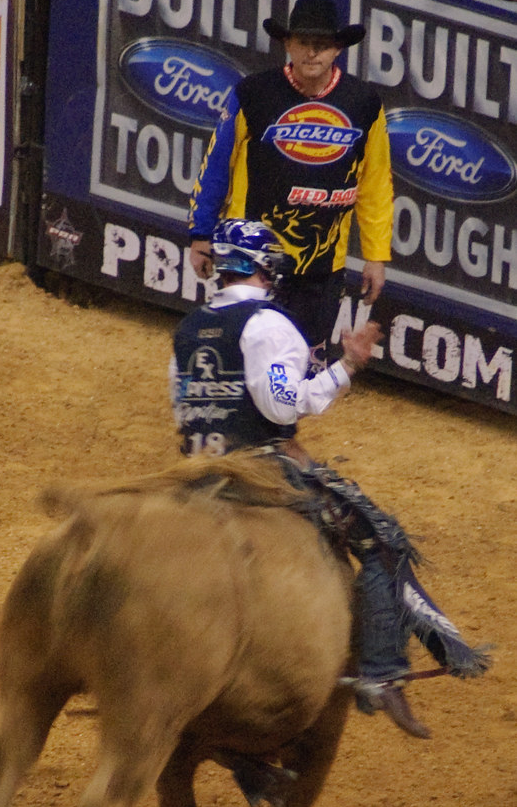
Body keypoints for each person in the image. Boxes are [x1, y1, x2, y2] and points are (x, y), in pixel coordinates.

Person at [171, 219, 490, 740]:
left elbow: (181, 404)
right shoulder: (270, 326)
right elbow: (281, 403)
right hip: (257, 469)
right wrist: (347, 366)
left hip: (192, 472)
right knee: (382, 538)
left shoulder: (187, 327)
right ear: (263, 267)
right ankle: (382, 671)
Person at [188, 0, 394, 372]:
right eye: (303, 42)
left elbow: (376, 181)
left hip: (321, 266)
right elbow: (217, 163)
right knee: (239, 363)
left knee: (302, 369)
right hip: (249, 259)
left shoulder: (363, 103)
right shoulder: (252, 94)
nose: (313, 52)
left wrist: (375, 255)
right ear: (287, 44)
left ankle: (282, 431)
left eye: (323, 44)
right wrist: (200, 235)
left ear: (338, 48)